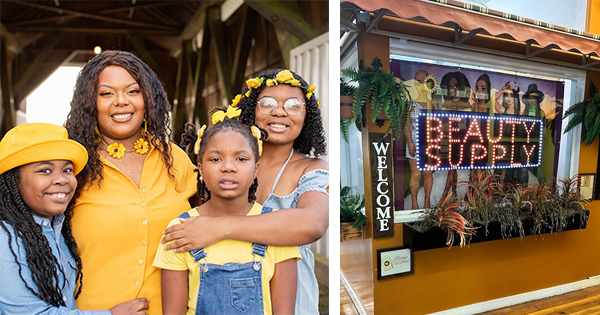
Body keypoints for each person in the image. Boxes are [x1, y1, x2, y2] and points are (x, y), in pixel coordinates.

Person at [161, 69, 329, 314]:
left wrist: (218, 227)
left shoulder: (313, 169)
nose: (280, 111)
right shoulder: (226, 168)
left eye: (294, 105)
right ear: (251, 110)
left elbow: (313, 223)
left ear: (307, 117)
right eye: (268, 103)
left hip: (293, 301)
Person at [64, 51, 198, 314]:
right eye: (106, 93)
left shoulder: (175, 159)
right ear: (90, 102)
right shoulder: (73, 165)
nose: (121, 101)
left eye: (133, 91)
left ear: (147, 98)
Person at [154, 109, 301, 314]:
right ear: (201, 169)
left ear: (256, 169)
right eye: (215, 159)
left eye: (241, 159)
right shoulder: (179, 231)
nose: (228, 167)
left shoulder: (276, 230)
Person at [0, 123, 149, 314]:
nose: (62, 179)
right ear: (14, 180)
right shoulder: (5, 240)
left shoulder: (58, 230)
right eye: (45, 170)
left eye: (67, 170)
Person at [405, 70, 436, 209]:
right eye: (417, 81)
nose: (421, 84)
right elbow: (407, 125)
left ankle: (427, 202)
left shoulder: (432, 102)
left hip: (429, 140)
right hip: (414, 139)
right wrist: (410, 143)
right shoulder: (410, 102)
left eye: (423, 81)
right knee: (416, 174)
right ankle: (414, 202)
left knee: (428, 173)